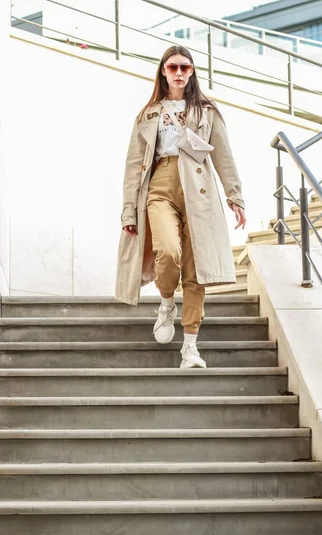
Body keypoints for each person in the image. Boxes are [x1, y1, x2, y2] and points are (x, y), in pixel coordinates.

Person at [115, 45, 246, 368]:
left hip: (199, 192)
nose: (178, 73)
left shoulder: (207, 111)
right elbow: (134, 165)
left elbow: (223, 157)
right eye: (172, 67)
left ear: (192, 72)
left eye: (184, 67)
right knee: (168, 251)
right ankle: (165, 304)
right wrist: (129, 210)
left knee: (194, 270)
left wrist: (235, 197)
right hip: (160, 185)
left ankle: (190, 346)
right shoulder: (148, 114)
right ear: (162, 71)